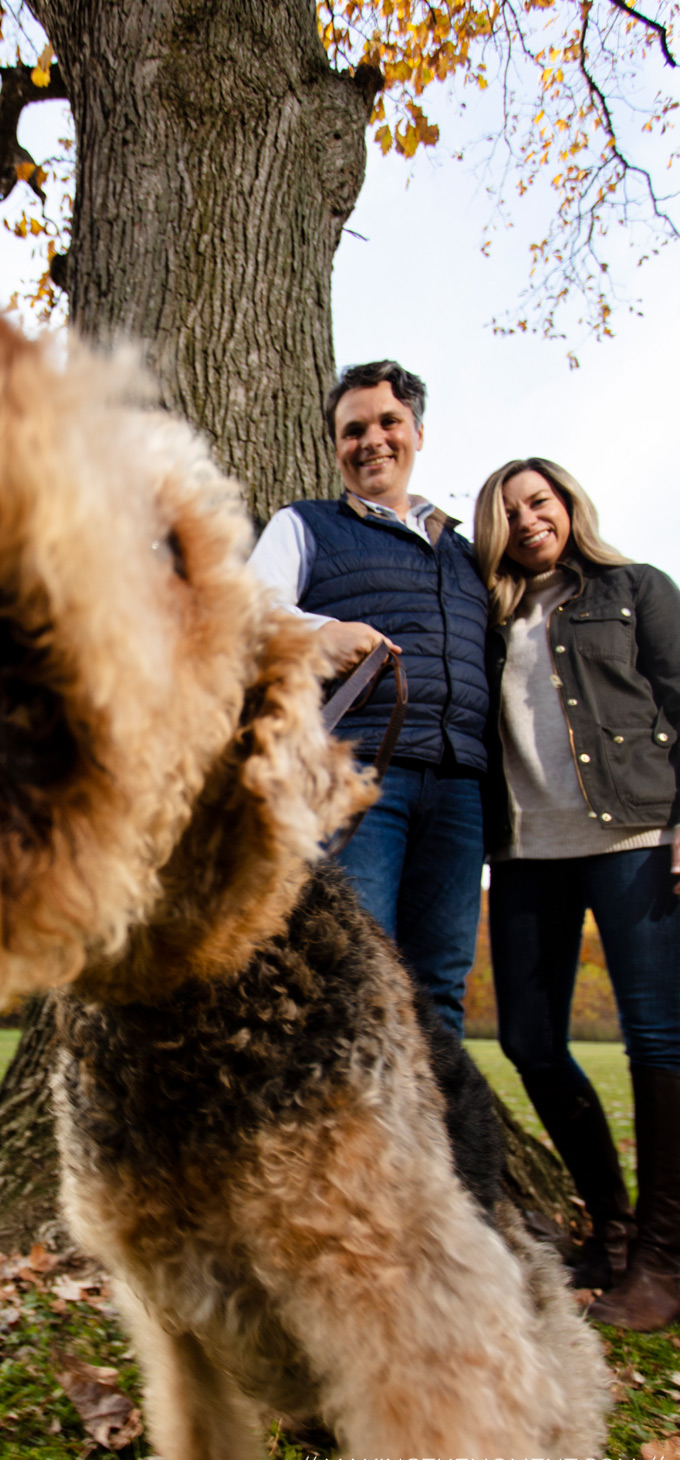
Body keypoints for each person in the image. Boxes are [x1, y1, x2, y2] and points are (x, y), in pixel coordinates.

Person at [474, 456, 680, 1332]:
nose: (527, 520)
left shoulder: (635, 587)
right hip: (526, 852)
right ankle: (614, 1227)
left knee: (657, 1038)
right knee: (527, 1040)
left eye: (539, 502)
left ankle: (664, 1265)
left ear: (567, 505)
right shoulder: (489, 615)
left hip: (635, 837)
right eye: (509, 510)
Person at [250, 360, 489, 1036]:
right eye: (353, 430)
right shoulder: (304, 524)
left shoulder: (465, 553)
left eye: (388, 422)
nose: (372, 440)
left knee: (441, 984)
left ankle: (434, 1141)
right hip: (356, 775)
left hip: (460, 784)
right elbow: (243, 612)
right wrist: (323, 631)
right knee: (352, 970)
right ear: (336, 447)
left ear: (417, 431)